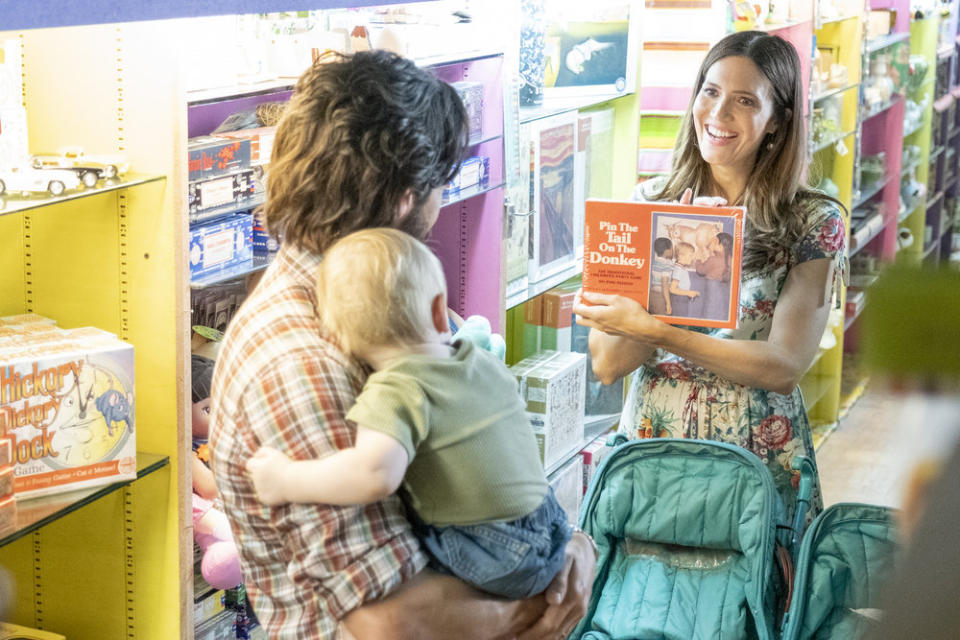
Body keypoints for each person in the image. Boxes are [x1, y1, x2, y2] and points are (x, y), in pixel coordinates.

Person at [208, 49, 596, 640]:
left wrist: (570, 547)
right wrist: (548, 599)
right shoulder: (303, 359)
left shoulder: (381, 302)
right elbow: (393, 618)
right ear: (406, 199)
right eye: (441, 185)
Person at [574, 30, 846, 524]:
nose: (718, 115)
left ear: (778, 122)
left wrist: (659, 331)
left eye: (744, 100)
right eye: (711, 91)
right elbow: (609, 364)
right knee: (648, 601)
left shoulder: (813, 222)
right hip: (656, 451)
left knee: (753, 600)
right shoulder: (648, 205)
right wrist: (674, 269)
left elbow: (783, 367)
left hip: (755, 460)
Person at [245, 228, 571, 601]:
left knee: (411, 527)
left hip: (493, 554)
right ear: (438, 311)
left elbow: (374, 475)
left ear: (336, 338)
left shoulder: (396, 388)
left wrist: (286, 478)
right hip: (551, 527)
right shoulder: (479, 359)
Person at [696, 231, 734, 320]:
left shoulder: (713, 260)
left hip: (712, 287)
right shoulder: (731, 259)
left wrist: (698, 261)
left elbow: (701, 270)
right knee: (722, 307)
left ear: (718, 243)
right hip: (725, 286)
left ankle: (708, 324)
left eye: (712, 243)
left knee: (710, 307)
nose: (710, 245)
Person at [668, 241, 700, 318]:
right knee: (680, 321)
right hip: (678, 300)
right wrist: (688, 292)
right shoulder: (678, 269)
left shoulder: (681, 268)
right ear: (680, 256)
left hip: (681, 298)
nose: (693, 258)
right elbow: (672, 289)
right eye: (690, 255)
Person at [649, 237, 674, 315]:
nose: (673, 251)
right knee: (661, 320)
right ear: (667, 251)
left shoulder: (655, 262)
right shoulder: (667, 264)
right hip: (661, 296)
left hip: (652, 294)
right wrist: (668, 304)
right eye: (672, 248)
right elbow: (665, 284)